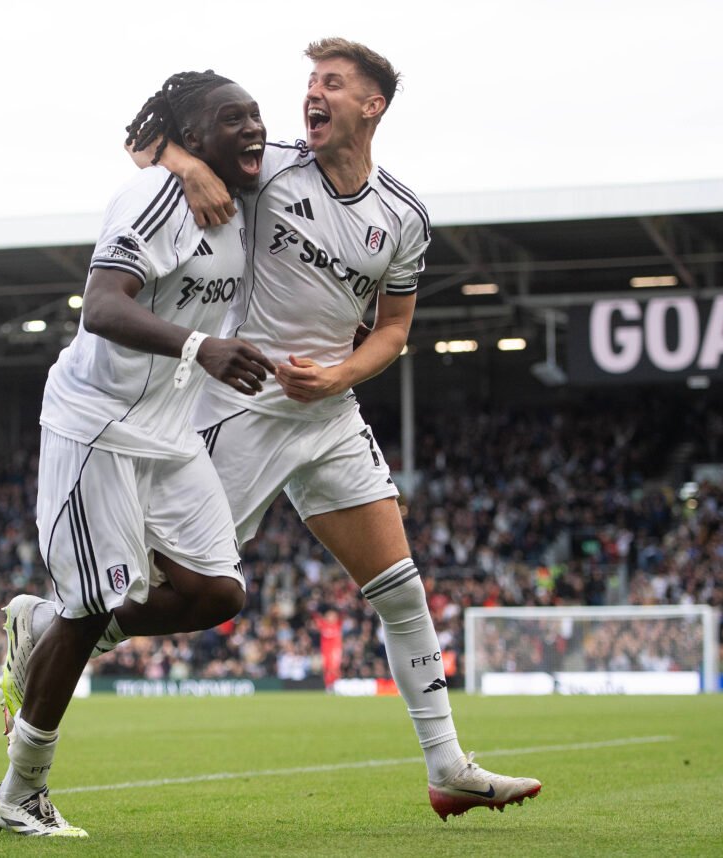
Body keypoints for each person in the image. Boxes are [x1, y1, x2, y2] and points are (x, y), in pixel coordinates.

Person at [133, 37, 542, 820]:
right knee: (171, 588)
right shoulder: (267, 168)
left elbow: (393, 330)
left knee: (400, 587)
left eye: (331, 83)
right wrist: (184, 165)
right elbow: (143, 139)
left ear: (371, 105)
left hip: (329, 413)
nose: (311, 95)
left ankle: (448, 766)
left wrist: (338, 376)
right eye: (309, 83)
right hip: (241, 406)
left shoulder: (404, 216)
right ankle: (50, 627)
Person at [0, 70, 274, 838]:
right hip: (99, 424)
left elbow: (146, 138)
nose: (252, 128)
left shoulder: (244, 185)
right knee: (91, 609)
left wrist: (176, 153)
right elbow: (103, 305)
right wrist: (203, 348)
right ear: (190, 135)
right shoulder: (153, 195)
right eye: (231, 119)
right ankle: (22, 795)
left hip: (166, 430)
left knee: (219, 593)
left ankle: (42, 624)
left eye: (256, 116)